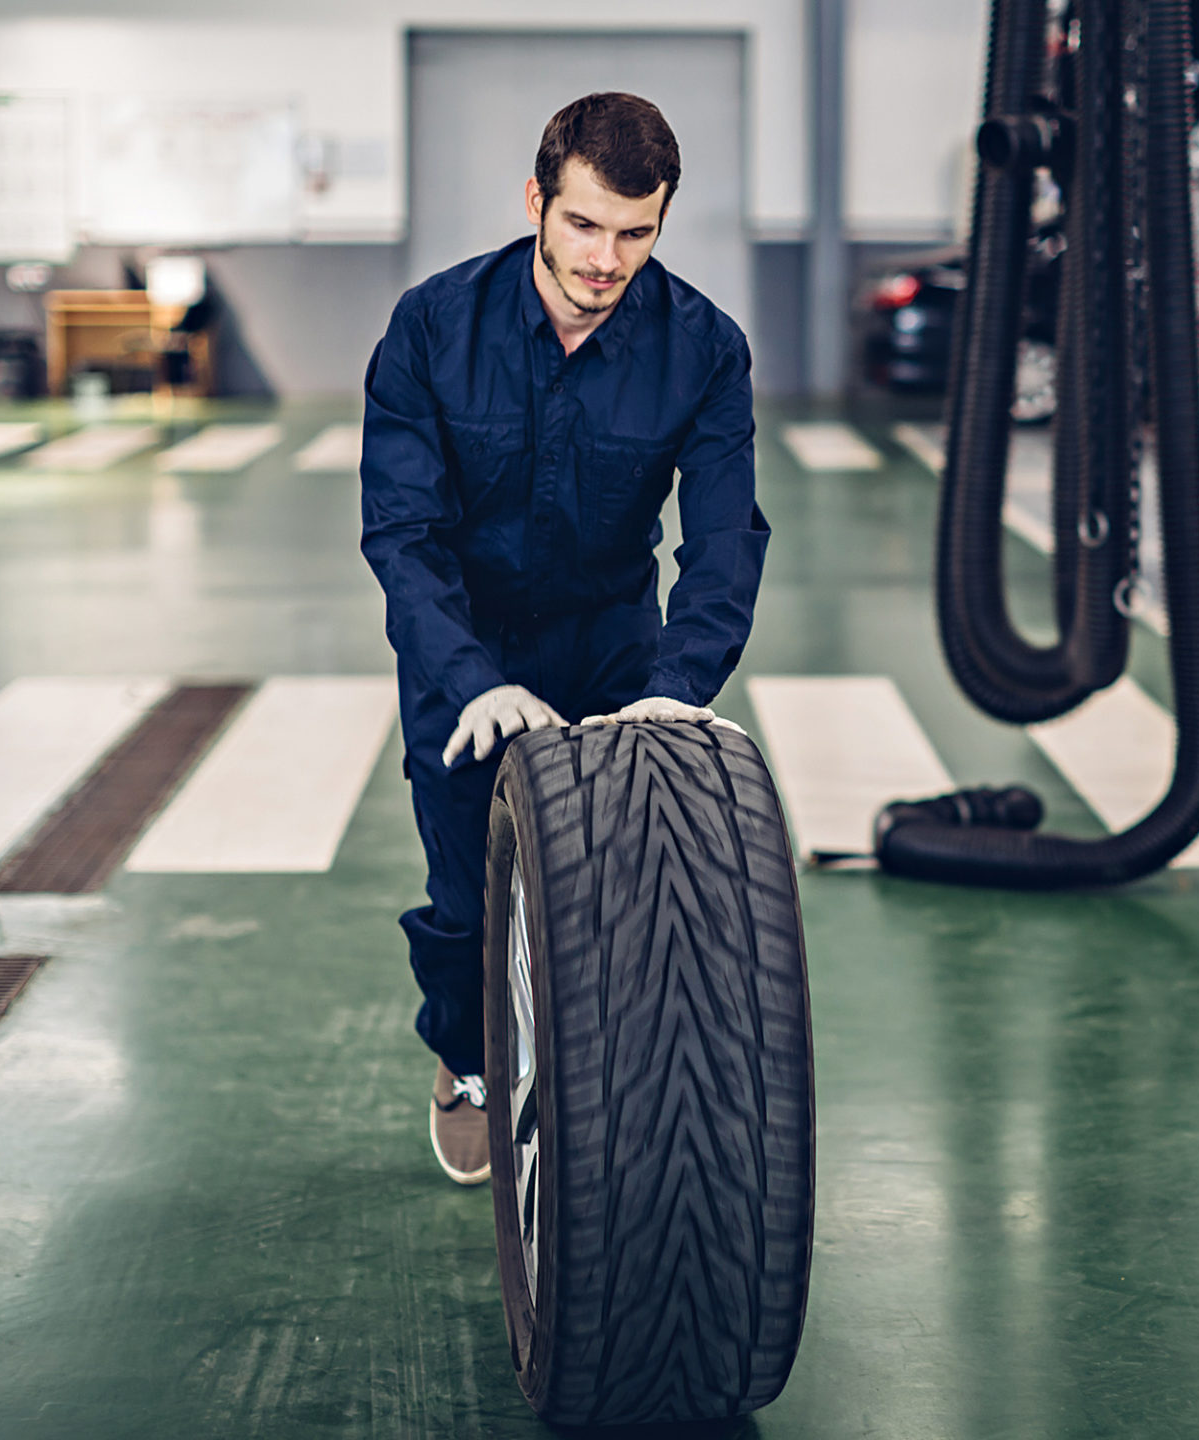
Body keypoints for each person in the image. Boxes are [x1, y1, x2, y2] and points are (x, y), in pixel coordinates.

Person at [359, 92, 767, 1185]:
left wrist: (679, 683)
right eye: (585, 225)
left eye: (636, 233)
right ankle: (469, 1061)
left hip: (610, 638)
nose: (606, 258)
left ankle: (619, 1080)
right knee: (464, 897)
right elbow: (402, 533)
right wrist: (466, 678)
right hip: (465, 638)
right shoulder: (434, 328)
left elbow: (726, 535)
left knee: (636, 882)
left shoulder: (703, 350)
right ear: (537, 200)